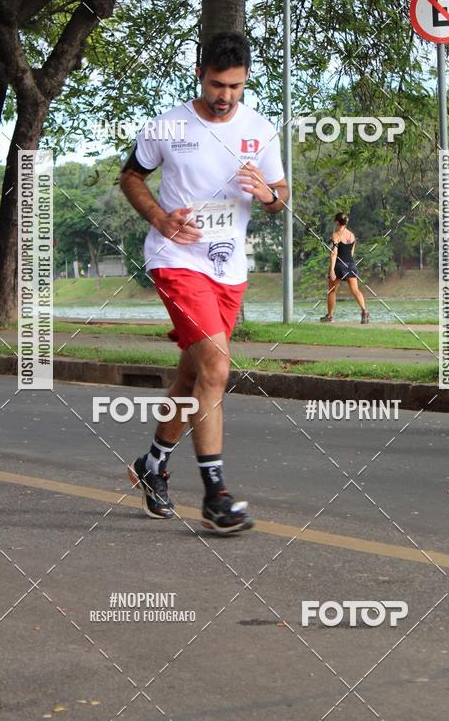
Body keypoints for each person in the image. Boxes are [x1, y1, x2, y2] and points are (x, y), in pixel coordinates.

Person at [120, 32, 288, 534]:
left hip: (228, 268)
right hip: (176, 259)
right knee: (216, 365)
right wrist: (160, 218)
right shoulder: (169, 125)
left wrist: (268, 194)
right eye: (217, 84)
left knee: (193, 377)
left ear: (245, 80)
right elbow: (131, 177)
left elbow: (280, 195)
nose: (225, 96)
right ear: (201, 73)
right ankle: (217, 494)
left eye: (235, 86)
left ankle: (152, 466)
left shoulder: (261, 129)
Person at [320, 212, 370, 324]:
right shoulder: (352, 235)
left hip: (339, 264)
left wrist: (332, 269)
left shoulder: (335, 235)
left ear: (337, 222)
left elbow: (334, 253)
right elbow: (351, 252)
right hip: (351, 264)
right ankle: (364, 310)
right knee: (355, 290)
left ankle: (330, 316)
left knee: (332, 291)